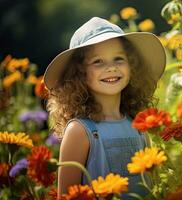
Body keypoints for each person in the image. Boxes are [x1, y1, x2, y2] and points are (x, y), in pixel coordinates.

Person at [43, 17, 166, 199]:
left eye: (118, 59)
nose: (111, 67)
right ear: (80, 73)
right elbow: (67, 196)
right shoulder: (80, 131)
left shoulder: (139, 126)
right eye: (98, 61)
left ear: (132, 66)